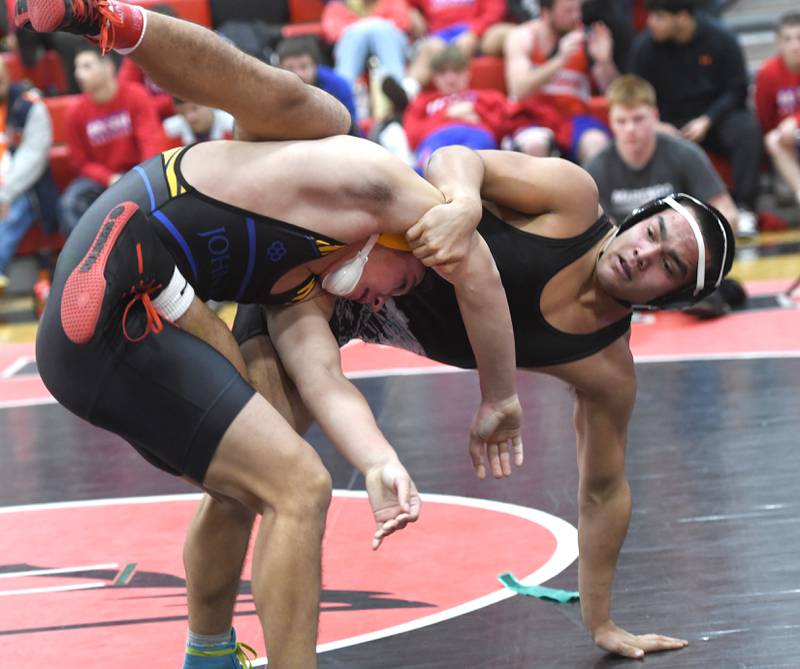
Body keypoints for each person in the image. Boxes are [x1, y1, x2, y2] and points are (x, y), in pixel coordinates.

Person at [20, 2, 523, 667]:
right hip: (117, 276)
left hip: (116, 308)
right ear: (403, 236)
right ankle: (106, 17)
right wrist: (500, 395)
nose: (381, 300)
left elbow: (325, 382)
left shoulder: (299, 294)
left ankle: (210, 654)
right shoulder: (363, 181)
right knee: (300, 486)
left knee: (255, 467)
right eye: (401, 282)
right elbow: (478, 271)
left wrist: (378, 462)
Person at [233, 140, 735, 661]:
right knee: (254, 480)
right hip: (323, 263)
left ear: (672, 298)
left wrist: (601, 621)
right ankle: (209, 645)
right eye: (651, 233)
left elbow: (604, 492)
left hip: (340, 316)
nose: (643, 254)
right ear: (640, 217)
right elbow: (455, 157)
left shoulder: (605, 369)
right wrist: (466, 201)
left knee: (272, 481)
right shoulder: (572, 202)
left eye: (668, 264)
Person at [586, 74, 745, 317]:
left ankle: (690, 291)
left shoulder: (685, 154)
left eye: (638, 119)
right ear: (610, 121)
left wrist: (696, 252)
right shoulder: (596, 167)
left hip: (672, 261)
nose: (630, 129)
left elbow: (727, 214)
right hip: (623, 261)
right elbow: (593, 232)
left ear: (655, 117)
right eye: (621, 121)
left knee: (720, 284)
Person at [628, 0, 763, 237]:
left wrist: (708, 119)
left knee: (747, 129)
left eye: (658, 16)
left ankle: (744, 208)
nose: (650, 23)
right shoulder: (644, 47)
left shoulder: (721, 38)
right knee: (643, 132)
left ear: (681, 16)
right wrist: (656, 124)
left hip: (714, 119)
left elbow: (737, 89)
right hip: (667, 123)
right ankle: (654, 213)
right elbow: (635, 93)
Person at [58, 44, 165, 237]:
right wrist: (108, 178)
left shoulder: (136, 96)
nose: (78, 74)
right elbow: (80, 162)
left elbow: (150, 144)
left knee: (160, 191)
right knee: (70, 202)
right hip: (102, 179)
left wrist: (139, 177)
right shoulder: (74, 113)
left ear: (108, 66)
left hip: (138, 172)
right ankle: (84, 261)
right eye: (77, 67)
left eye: (86, 66)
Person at [504, 0, 617, 164]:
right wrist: (560, 61)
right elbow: (518, 89)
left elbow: (614, 93)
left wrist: (604, 62)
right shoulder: (523, 36)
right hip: (533, 116)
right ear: (546, 12)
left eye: (578, 10)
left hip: (574, 118)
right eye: (568, 11)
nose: (576, 16)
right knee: (535, 145)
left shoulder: (586, 38)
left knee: (596, 143)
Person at [0, 58, 59, 293]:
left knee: (15, 208)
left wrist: (4, 194)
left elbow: (33, 159)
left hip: (26, 191)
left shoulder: (29, 105)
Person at [402, 44, 510, 172]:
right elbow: (412, 137)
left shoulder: (489, 97)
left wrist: (478, 111)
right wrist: (446, 115)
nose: (450, 79)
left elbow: (507, 126)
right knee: (427, 166)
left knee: (469, 164)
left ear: (468, 73)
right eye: (442, 73)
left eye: (457, 71)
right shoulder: (422, 101)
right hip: (435, 140)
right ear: (434, 78)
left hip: (476, 137)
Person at [755, 11, 800, 210]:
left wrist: (796, 121)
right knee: (772, 139)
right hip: (786, 142)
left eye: (799, 38)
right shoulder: (767, 73)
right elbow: (764, 118)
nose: (795, 45)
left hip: (794, 132)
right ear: (779, 43)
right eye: (788, 39)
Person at [275, 36, 358, 127]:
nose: (298, 74)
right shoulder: (275, 88)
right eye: (290, 68)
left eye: (303, 66)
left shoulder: (338, 85)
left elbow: (351, 125)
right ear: (280, 68)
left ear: (315, 66)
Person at [163, 98, 234, 145]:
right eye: (182, 113)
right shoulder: (169, 131)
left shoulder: (232, 126)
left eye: (195, 108)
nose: (190, 117)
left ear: (210, 104)